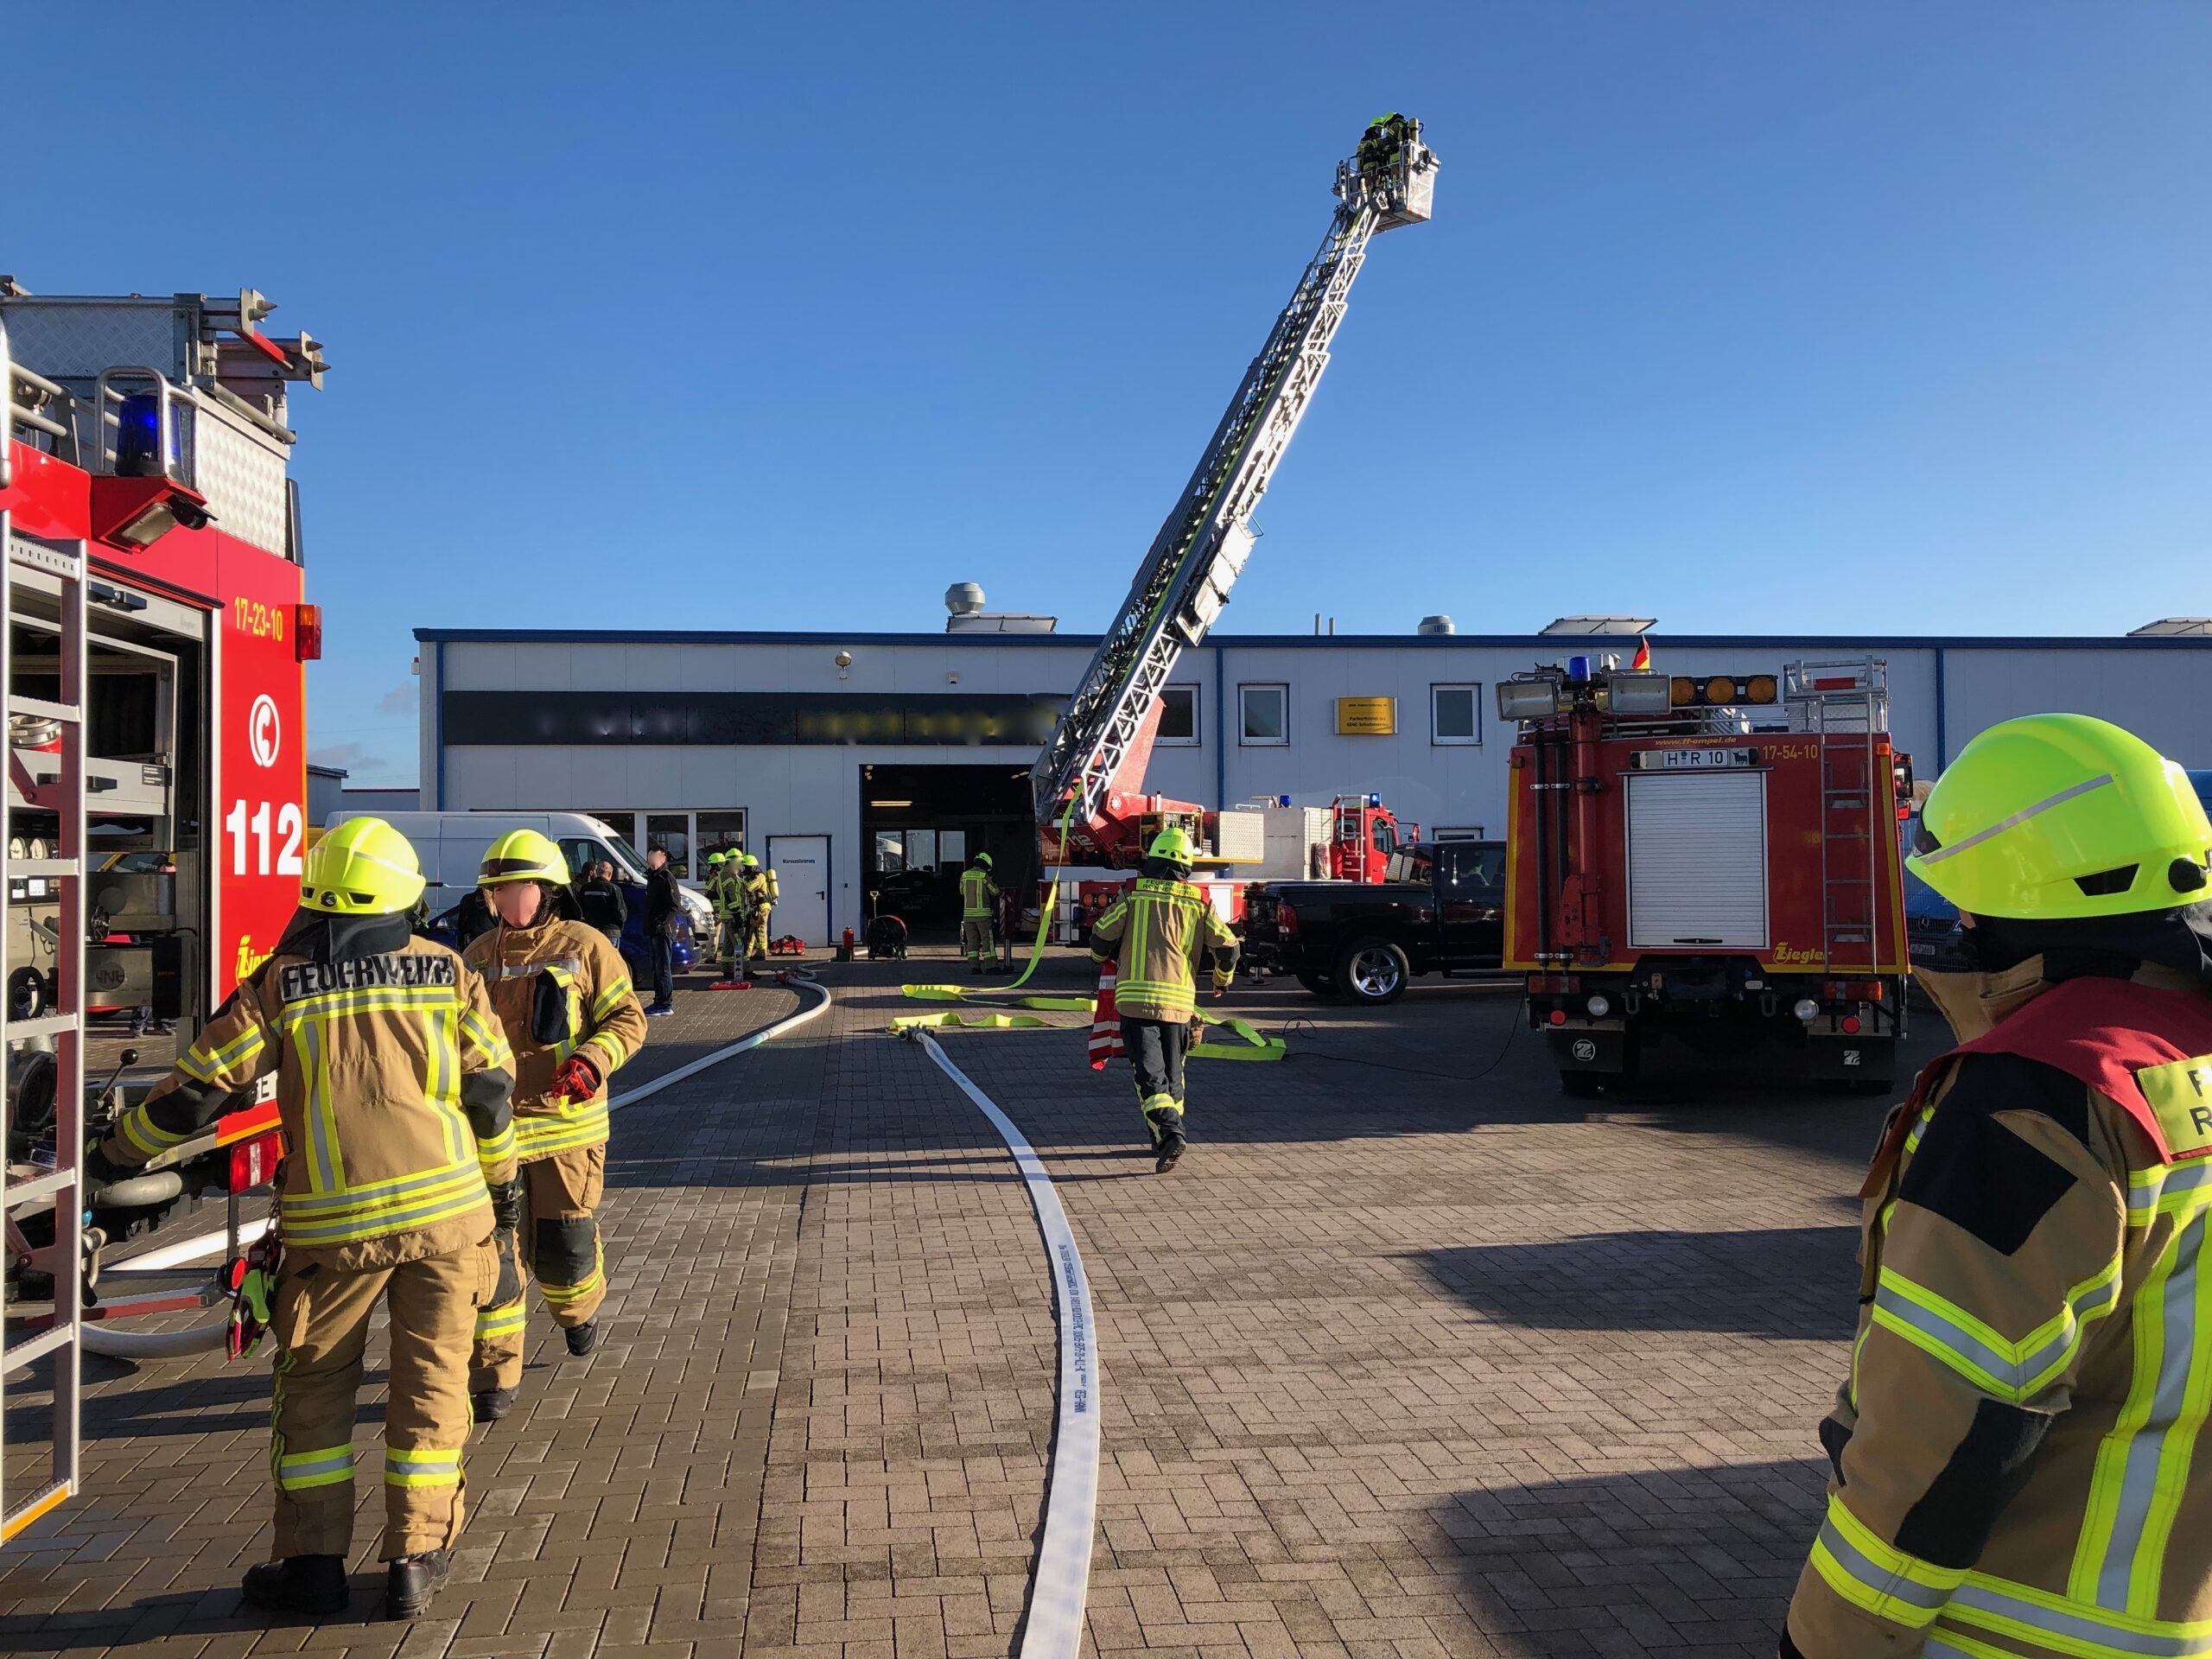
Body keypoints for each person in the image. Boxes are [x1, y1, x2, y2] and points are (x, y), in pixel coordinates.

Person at [1782, 714, 2212, 1659]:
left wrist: (1828, 1640)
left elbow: (1951, 1426)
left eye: (1967, 901)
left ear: (2019, 895)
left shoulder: (2040, 1095)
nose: (1959, 924)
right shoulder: (2185, 1062)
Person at [86, 817, 518, 1621]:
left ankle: (313, 1567)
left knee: (315, 1394)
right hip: (450, 1224)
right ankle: (416, 1562)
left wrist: (114, 1155)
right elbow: (491, 1091)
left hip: (332, 1237)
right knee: (431, 1385)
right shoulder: (447, 971)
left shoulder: (282, 983)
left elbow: (195, 1094)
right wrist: (500, 1190)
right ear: (404, 892)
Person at [463, 830, 648, 1424]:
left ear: (545, 891)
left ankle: (579, 1315)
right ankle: (494, 1374)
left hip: (568, 1131)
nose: (509, 900)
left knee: (565, 1252)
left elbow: (627, 1018)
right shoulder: (474, 959)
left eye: (520, 888)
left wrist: (591, 1062)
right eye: (500, 890)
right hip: (493, 1138)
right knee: (495, 1260)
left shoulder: (586, 946)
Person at [1086, 827, 1237, 1173]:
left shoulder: (1133, 894)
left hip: (1136, 1001)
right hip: (1179, 1005)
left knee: (1149, 1075)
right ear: (1187, 864)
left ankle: (1169, 1133)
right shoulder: (1200, 901)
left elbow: (1100, 936)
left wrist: (1098, 960)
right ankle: (1164, 1136)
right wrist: (1220, 980)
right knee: (1173, 1075)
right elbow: (1228, 947)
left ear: (1152, 857)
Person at [641, 847, 679, 1015]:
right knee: (656, 967)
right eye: (649, 856)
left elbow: (674, 904)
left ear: (663, 858)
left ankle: (664, 1003)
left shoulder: (666, 878)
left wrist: (661, 923)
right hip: (654, 930)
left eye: (654, 857)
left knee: (663, 967)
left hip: (663, 930)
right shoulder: (652, 877)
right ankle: (659, 1001)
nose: (651, 860)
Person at [957, 852, 999, 975]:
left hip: (968, 915)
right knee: (987, 940)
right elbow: (995, 891)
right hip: (983, 915)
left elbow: (961, 891)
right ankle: (991, 967)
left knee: (972, 941)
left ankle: (974, 967)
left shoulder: (964, 875)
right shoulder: (983, 876)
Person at [575, 860, 626, 945]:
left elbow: (579, 910)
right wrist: (618, 928)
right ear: (610, 874)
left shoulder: (585, 888)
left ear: (597, 872)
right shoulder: (614, 889)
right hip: (610, 933)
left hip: (590, 931)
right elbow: (621, 913)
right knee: (609, 958)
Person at [741, 853, 775, 970]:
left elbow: (749, 888)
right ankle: (747, 953)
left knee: (760, 929)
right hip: (755, 907)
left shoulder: (759, 877)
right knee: (751, 930)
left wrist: (738, 881)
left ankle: (762, 953)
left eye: (745, 867)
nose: (743, 869)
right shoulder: (750, 877)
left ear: (751, 867)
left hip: (762, 907)